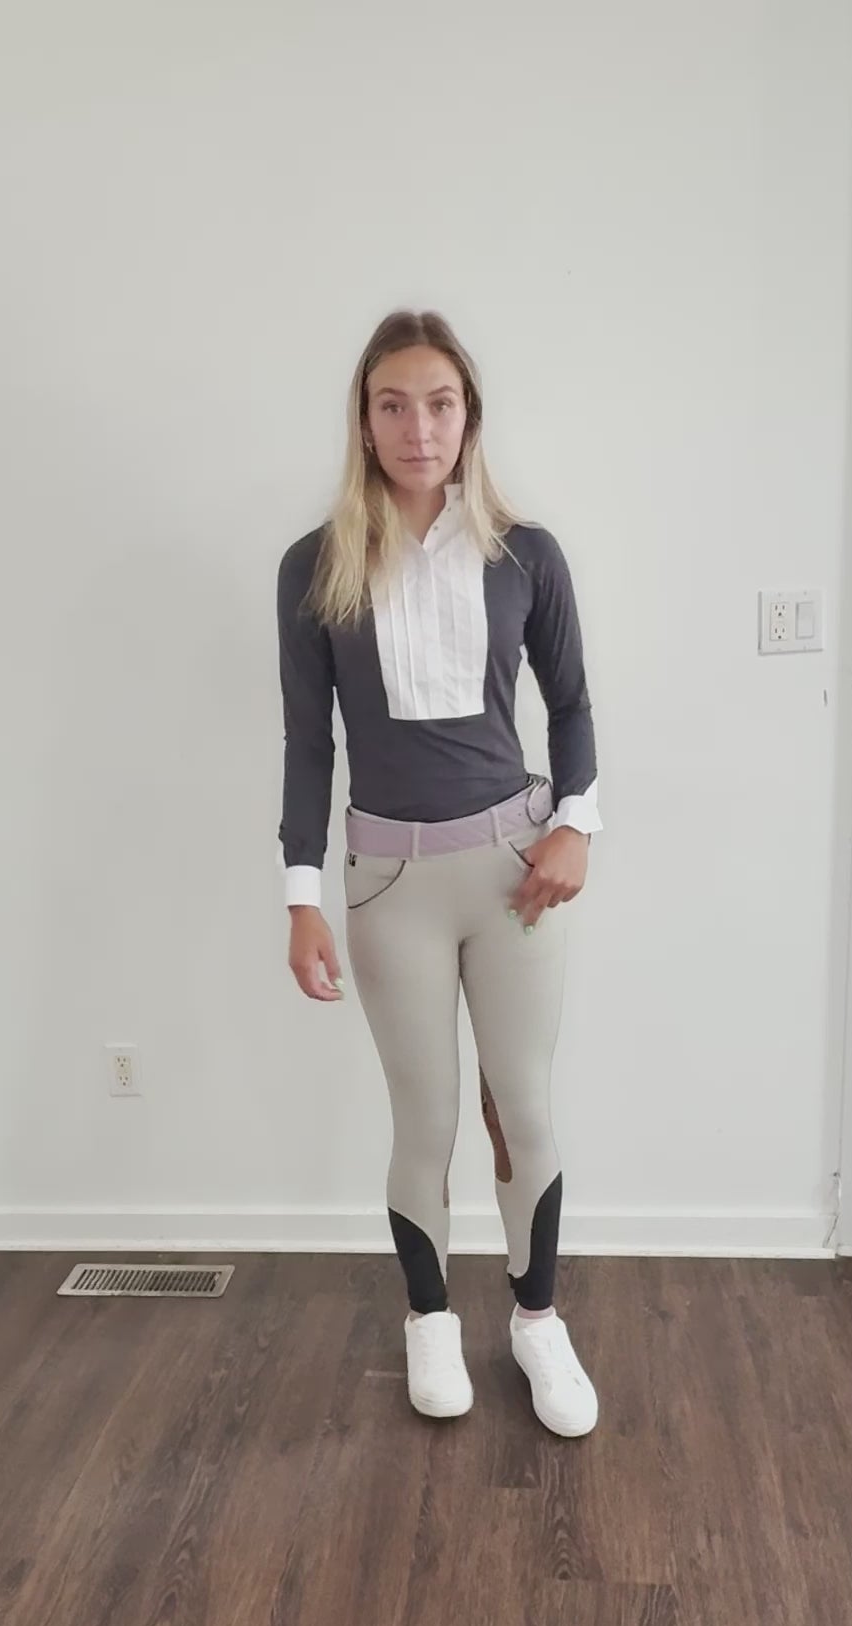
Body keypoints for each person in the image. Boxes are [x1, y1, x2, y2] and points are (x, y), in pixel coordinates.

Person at [277, 310, 601, 1436]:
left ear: (470, 418)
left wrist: (578, 824)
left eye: (441, 403)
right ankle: (429, 1321)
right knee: (426, 1120)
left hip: (515, 875)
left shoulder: (526, 554)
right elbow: (309, 745)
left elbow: (571, 704)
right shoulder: (316, 566)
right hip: (388, 885)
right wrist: (301, 898)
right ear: (364, 423)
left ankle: (537, 1322)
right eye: (394, 405)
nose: (419, 428)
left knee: (525, 1107)